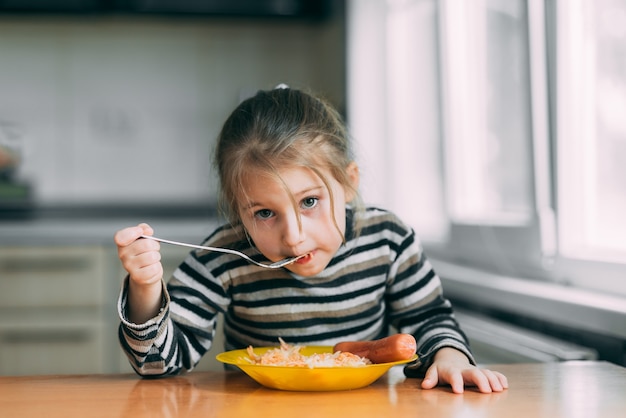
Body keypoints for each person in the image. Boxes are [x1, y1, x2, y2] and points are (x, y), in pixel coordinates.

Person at [114, 86, 508, 394]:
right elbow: (157, 364)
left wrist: (450, 355)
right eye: (264, 213)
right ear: (239, 211)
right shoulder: (226, 257)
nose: (293, 236)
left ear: (349, 183)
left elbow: (429, 319)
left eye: (310, 201)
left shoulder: (387, 239)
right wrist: (145, 288)